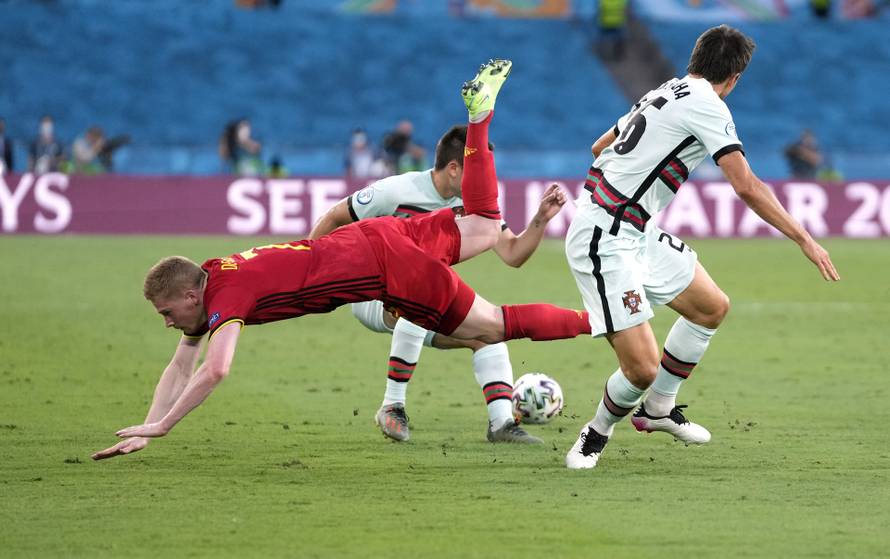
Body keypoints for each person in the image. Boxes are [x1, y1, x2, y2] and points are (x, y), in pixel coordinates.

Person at [93, 59, 593, 461]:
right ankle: (479, 118)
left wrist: (165, 424)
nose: (168, 324)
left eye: (167, 313)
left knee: (493, 327)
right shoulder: (215, 272)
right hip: (381, 239)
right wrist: (146, 428)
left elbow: (214, 369)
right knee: (484, 223)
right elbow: (183, 363)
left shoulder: (228, 294)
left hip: (382, 266)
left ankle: (599, 320)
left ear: (188, 293)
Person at [563, 25, 840, 470]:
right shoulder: (708, 105)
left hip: (633, 230)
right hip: (604, 239)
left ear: (696, 59)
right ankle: (594, 433)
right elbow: (746, 186)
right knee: (641, 370)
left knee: (710, 306)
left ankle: (657, 410)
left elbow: (600, 146)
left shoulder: (667, 89)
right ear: (735, 78)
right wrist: (804, 237)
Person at [310, 124, 567, 444]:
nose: (485, 181)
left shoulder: (475, 206)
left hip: (422, 297)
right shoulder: (396, 191)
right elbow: (335, 216)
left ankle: (501, 424)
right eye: (479, 171)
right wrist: (308, 269)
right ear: (454, 168)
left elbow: (513, 254)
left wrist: (540, 219)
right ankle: (392, 405)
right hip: (371, 295)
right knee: (419, 299)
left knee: (488, 333)